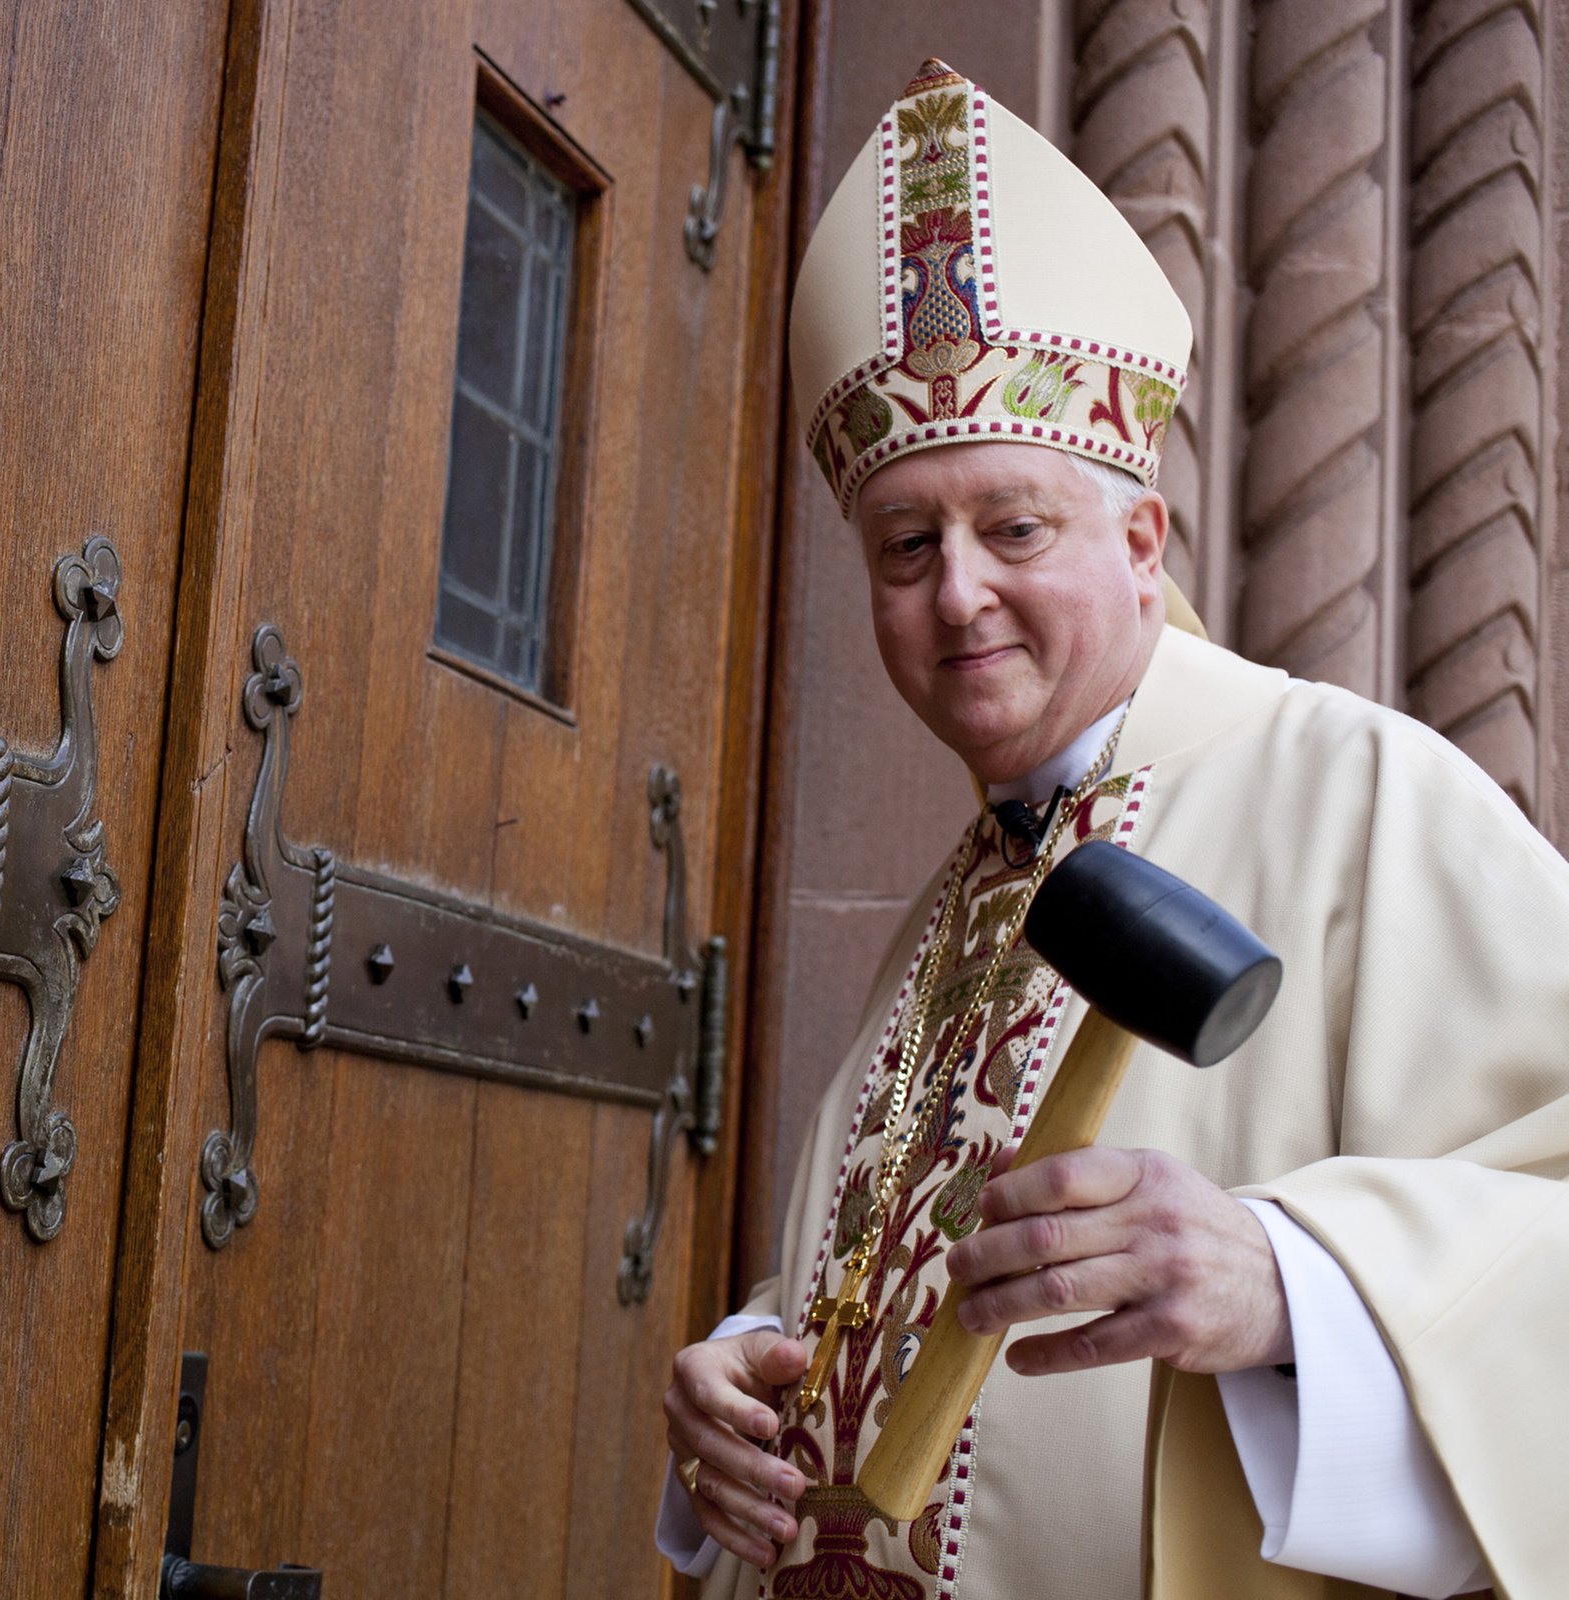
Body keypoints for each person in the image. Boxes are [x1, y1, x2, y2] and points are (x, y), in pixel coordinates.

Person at [657, 58, 1566, 1600]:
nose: (957, 594)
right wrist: (753, 1369)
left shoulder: (1359, 792)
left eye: (1014, 528)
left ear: (1142, 540)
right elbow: (906, 1285)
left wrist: (1291, 1285)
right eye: (904, 545)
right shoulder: (964, 893)